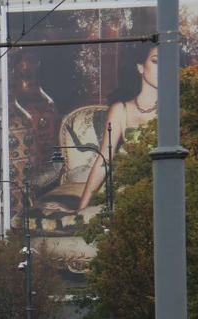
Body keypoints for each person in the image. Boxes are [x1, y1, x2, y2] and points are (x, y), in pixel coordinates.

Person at [77, 45, 158, 211]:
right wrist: (80, 209)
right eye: (156, 61)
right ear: (140, 67)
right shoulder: (121, 110)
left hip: (166, 190)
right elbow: (103, 161)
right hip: (133, 192)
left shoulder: (176, 109)